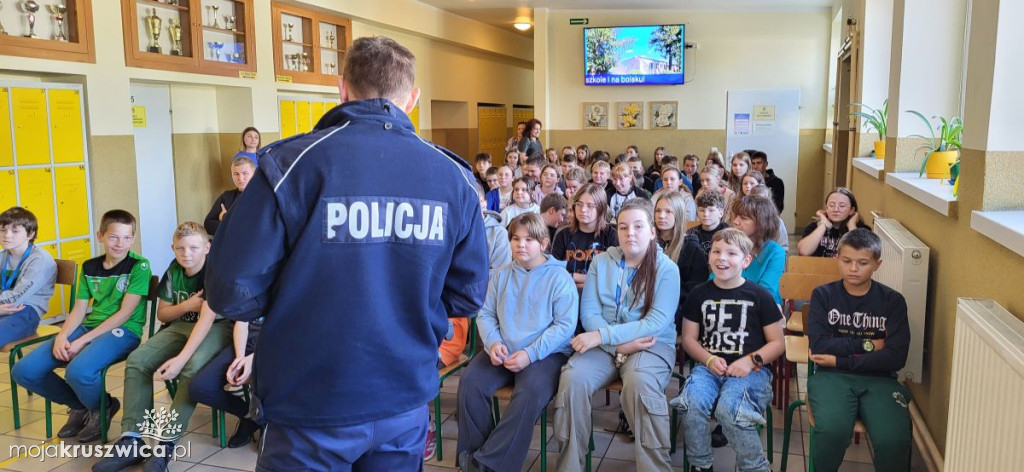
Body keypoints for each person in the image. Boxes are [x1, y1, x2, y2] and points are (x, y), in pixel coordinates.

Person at [204, 36, 489, 470]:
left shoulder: (289, 165)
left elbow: (229, 292)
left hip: (311, 396)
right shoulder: (453, 177)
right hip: (402, 396)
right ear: (411, 99)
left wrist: (298, 291)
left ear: (342, 89)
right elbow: (468, 295)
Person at [93, 222, 232, 472]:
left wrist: (180, 359)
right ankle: (132, 440)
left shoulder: (217, 270)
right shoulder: (174, 269)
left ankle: (164, 447)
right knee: (137, 361)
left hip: (216, 327)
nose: (186, 254)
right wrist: (188, 306)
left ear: (207, 248)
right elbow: (164, 315)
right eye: (180, 248)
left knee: (192, 369)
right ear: (173, 248)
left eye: (193, 247)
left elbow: (206, 319)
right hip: (181, 325)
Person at [554, 198, 681, 472]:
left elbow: (655, 322)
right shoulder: (602, 262)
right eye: (623, 227)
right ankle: (570, 467)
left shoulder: (668, 269)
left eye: (638, 226)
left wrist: (602, 336)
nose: (629, 233)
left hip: (650, 345)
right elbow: (589, 314)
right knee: (572, 378)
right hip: (610, 345)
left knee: (640, 384)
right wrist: (617, 345)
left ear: (652, 231)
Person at [12, 210, 151, 444]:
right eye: (114, 237)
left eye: (127, 237)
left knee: (78, 371)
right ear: (100, 236)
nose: (120, 243)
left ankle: (102, 407)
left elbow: (124, 313)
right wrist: (62, 335)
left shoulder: (139, 266)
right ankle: (80, 406)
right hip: (90, 327)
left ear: (133, 238)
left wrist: (82, 341)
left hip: (124, 331)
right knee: (24, 370)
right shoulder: (89, 266)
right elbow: (79, 308)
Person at [457, 213, 578, 472]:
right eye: (515, 238)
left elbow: (564, 327)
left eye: (529, 239)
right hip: (503, 348)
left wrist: (529, 354)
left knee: (529, 393)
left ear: (544, 244)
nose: (520, 244)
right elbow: (486, 314)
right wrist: (493, 342)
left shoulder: (559, 278)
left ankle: (488, 465)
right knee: (470, 382)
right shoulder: (501, 275)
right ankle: (475, 456)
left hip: (545, 354)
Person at [672, 228, 785, 472]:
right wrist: (709, 358)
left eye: (731, 253)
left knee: (729, 409)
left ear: (746, 261)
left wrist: (751, 361)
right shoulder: (698, 294)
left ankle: (754, 467)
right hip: (708, 368)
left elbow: (778, 343)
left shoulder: (760, 296)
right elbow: (689, 339)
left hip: (752, 372)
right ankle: (701, 464)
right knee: (691, 403)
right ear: (709, 256)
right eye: (716, 251)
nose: (722, 258)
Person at [807, 229, 912, 472]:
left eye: (863, 263)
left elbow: (896, 357)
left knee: (893, 439)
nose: (853, 268)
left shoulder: (893, 301)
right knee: (832, 431)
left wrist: (839, 360)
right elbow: (820, 345)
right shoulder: (823, 295)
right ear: (837, 259)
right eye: (847, 261)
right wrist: (869, 346)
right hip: (830, 377)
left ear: (878, 264)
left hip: (880, 380)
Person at [425, 182, 513, 461]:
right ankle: (418, 423)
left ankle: (420, 424)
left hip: (459, 320)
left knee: (415, 365)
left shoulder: (496, 234)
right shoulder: (441, 229)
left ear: (486, 203)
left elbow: (491, 282)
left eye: (476, 201)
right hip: (432, 316)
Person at [0, 207, 57, 347]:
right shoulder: (3, 256)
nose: (7, 235)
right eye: (2, 230)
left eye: (15, 231)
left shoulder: (40, 260)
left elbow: (17, 297)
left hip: (26, 312)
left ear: (30, 234)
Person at [550, 183, 618, 292]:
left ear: (600, 208)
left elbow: (613, 276)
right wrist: (591, 280)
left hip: (600, 295)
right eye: (579, 204)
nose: (583, 210)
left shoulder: (611, 235)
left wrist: (573, 276)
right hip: (566, 292)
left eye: (590, 206)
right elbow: (553, 272)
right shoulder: (563, 234)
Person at [728, 196, 786, 305]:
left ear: (761, 222)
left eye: (744, 218)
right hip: (727, 305)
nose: (735, 222)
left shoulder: (775, 252)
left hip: (762, 310)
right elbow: (714, 280)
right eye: (735, 216)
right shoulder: (728, 245)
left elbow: (766, 293)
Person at [653, 192, 709, 305]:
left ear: (678, 214)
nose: (661, 216)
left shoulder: (692, 249)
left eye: (668, 211)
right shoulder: (648, 243)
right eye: (658, 210)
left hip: (677, 307)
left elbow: (696, 287)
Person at [797, 187, 870, 258]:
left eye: (842, 206)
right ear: (826, 208)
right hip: (817, 269)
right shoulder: (814, 227)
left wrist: (851, 225)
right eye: (831, 205)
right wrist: (824, 224)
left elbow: (863, 254)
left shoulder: (862, 230)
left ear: (852, 210)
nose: (836, 209)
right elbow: (804, 252)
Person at [203, 155, 256, 236]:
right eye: (236, 174)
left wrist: (225, 218)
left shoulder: (263, 197)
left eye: (245, 173)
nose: (240, 178)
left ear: (254, 174)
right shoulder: (226, 197)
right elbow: (208, 225)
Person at [747, 184, 790, 251]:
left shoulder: (776, 221)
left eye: (763, 201)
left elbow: (783, 247)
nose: (759, 205)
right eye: (755, 200)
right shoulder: (745, 218)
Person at [688, 191, 729, 255]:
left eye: (711, 210)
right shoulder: (690, 234)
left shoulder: (730, 233)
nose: (705, 214)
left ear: (721, 213)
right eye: (702, 210)